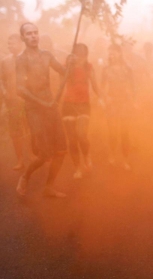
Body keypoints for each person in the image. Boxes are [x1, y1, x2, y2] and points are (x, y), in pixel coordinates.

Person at [15, 22, 69, 197]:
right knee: (44, 154)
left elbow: (63, 71)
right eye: (29, 33)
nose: (33, 36)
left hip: (50, 106)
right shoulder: (22, 59)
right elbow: (20, 89)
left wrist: (71, 62)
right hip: (34, 110)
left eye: (35, 32)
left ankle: (49, 186)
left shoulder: (46, 55)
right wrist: (41, 103)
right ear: (23, 37)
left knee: (61, 150)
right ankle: (25, 176)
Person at [62, 43, 101, 178]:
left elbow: (95, 85)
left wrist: (101, 98)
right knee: (72, 140)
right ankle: (77, 168)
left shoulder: (89, 67)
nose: (81, 57)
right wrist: (68, 64)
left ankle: (86, 155)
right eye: (78, 54)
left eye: (83, 54)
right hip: (68, 105)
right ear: (74, 54)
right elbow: (60, 79)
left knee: (81, 135)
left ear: (86, 55)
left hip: (83, 104)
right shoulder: (67, 66)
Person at [101, 44, 135, 170]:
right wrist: (106, 98)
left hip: (125, 103)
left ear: (119, 54)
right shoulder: (106, 69)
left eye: (113, 52)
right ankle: (112, 154)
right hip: (112, 103)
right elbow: (102, 86)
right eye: (109, 52)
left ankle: (125, 160)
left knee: (124, 132)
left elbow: (133, 86)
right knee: (112, 131)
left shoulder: (127, 69)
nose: (111, 55)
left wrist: (133, 101)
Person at [0, 34, 25, 170]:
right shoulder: (5, 61)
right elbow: (2, 80)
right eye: (9, 44)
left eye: (13, 43)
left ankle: (34, 155)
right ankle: (20, 159)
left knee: (32, 129)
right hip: (12, 101)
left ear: (20, 44)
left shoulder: (27, 58)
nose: (10, 46)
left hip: (28, 101)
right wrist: (4, 91)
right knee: (15, 132)